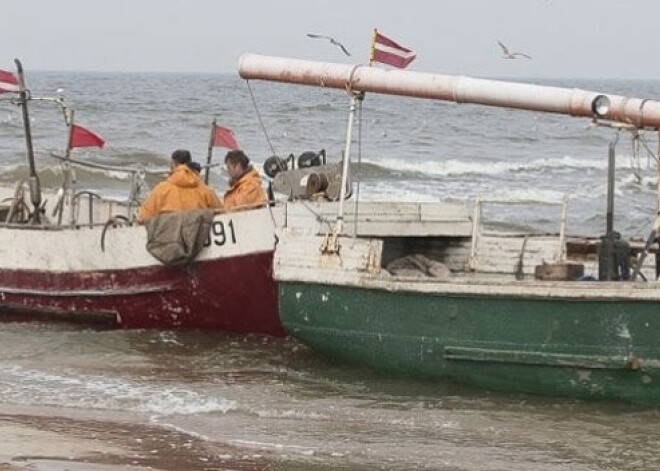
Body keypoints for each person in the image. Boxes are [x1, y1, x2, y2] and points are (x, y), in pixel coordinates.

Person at [136, 149, 221, 223]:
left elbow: (143, 217)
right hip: (196, 235)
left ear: (173, 164)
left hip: (171, 236)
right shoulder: (206, 190)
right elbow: (221, 212)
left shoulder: (161, 189)